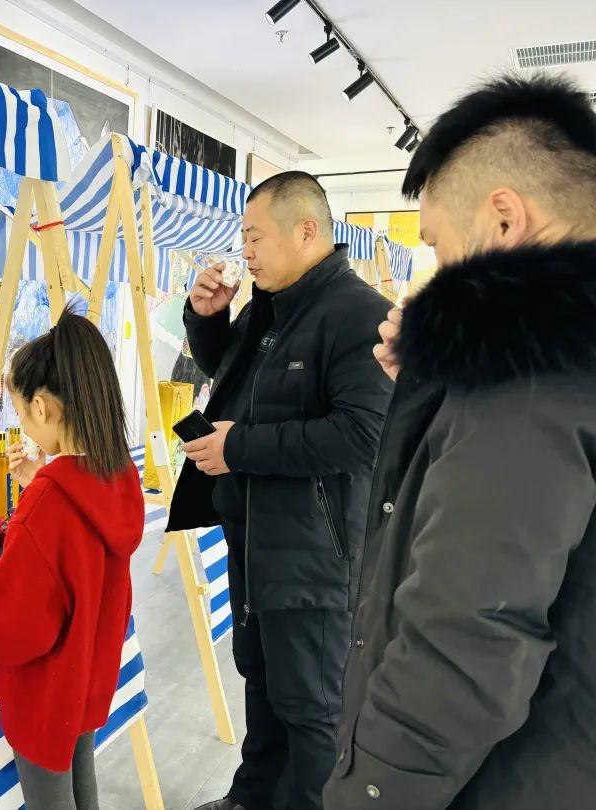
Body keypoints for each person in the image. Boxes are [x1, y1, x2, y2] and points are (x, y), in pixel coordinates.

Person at [323, 75, 596, 810]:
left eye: (440, 246)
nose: (438, 272)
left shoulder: (526, 374)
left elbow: (463, 641)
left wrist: (367, 795)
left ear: (504, 220)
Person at [170, 172, 393, 810]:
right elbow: (238, 379)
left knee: (311, 705)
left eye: (255, 237)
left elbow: (363, 435)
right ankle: (251, 797)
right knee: (261, 679)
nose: (245, 252)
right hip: (253, 535)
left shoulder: (358, 315)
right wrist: (207, 320)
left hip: (314, 551)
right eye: (243, 238)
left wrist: (238, 447)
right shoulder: (271, 307)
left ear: (306, 231)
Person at [0, 309, 144, 810]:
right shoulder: (118, 477)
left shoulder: (50, 501)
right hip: (86, 678)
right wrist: (39, 480)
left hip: (45, 691)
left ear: (41, 407)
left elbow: (18, 626)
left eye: (19, 412)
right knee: (82, 789)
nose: (22, 422)